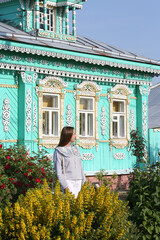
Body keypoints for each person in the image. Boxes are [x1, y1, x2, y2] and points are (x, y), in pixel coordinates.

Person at [53, 126, 86, 198]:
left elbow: (80, 166)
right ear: (68, 135)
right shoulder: (59, 150)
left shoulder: (76, 148)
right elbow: (58, 171)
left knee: (79, 205)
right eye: (74, 134)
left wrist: (83, 180)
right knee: (70, 204)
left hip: (79, 180)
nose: (75, 136)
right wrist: (65, 186)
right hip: (68, 181)